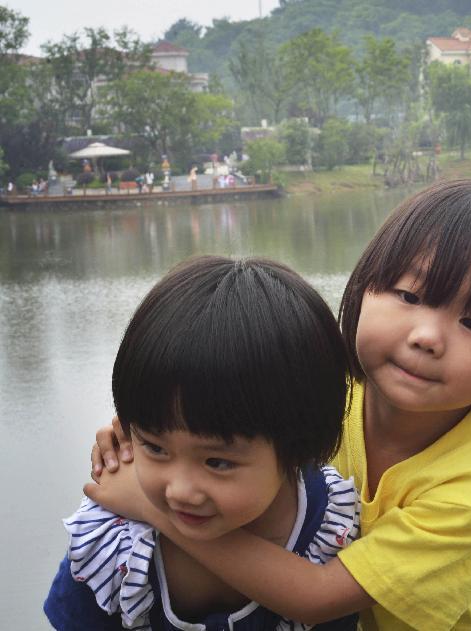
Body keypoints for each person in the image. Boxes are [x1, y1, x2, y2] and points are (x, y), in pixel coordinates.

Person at [88, 179, 471, 629]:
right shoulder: (331, 389)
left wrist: (152, 508)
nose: (427, 336)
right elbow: (225, 415)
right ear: (365, 284)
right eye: (410, 295)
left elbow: (317, 597)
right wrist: (148, 438)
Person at [46, 255, 360, 631]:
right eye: (155, 447)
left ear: (298, 446)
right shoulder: (113, 538)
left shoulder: (327, 529)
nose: (179, 490)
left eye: (217, 462)